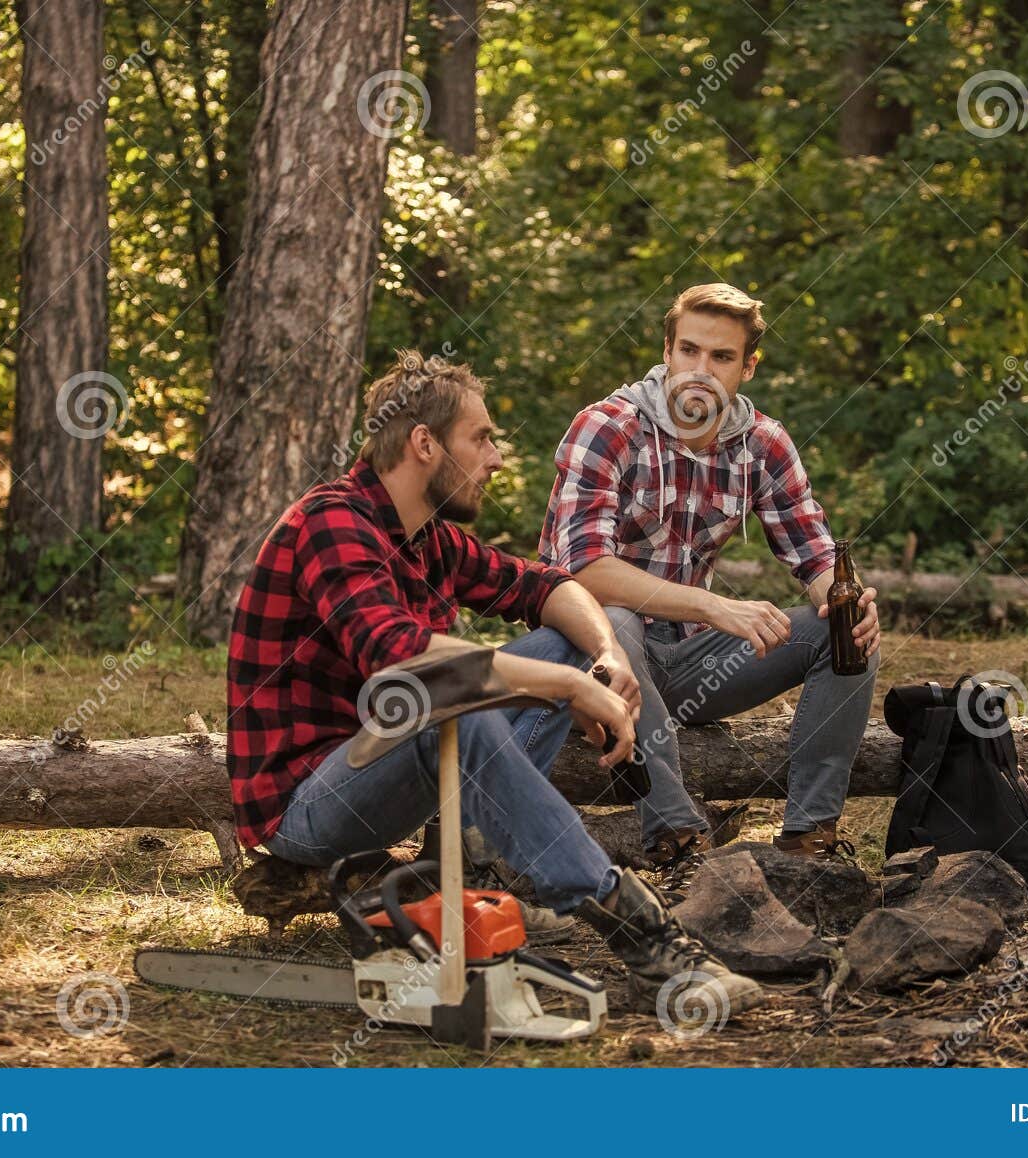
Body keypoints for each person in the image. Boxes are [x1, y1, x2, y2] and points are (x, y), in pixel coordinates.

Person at [225, 349, 763, 1016]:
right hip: (308, 806)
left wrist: (604, 659)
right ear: (424, 444)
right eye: (480, 438)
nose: (497, 457)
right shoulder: (332, 521)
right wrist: (565, 690)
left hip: (384, 770)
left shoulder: (429, 539)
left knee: (560, 644)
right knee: (452, 702)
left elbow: (549, 586)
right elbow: (400, 655)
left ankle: (468, 877)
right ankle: (639, 930)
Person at [540, 284, 882, 873]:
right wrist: (710, 606)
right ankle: (679, 843)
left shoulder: (763, 444)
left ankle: (809, 842)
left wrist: (843, 601)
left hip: (687, 662)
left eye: (721, 358)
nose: (700, 371)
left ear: (748, 366)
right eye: (689, 351)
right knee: (616, 622)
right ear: (667, 351)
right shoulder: (608, 427)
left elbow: (815, 555)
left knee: (844, 632)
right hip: (588, 662)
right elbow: (584, 570)